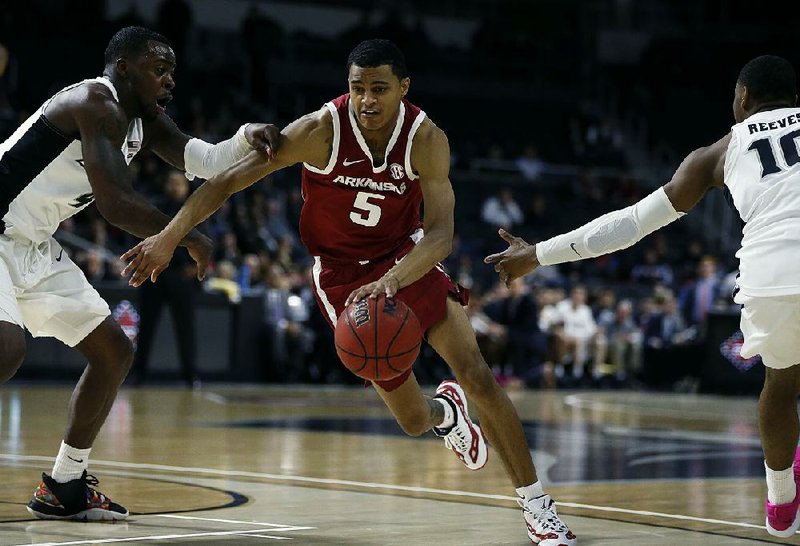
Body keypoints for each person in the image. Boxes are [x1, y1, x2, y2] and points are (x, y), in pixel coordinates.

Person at [120, 39, 576, 545]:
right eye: (357, 88)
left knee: (477, 374)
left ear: (404, 89)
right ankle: (445, 414)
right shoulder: (320, 131)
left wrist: (395, 277)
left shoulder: (427, 139)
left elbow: (442, 234)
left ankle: (538, 507)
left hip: (407, 260)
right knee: (410, 420)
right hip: (340, 276)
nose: (367, 101)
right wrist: (168, 238)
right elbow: (225, 182)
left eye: (379, 89)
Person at [485, 55, 800, 539]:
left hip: (769, 273)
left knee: (779, 384)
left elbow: (630, 225)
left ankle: (781, 504)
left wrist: (538, 254)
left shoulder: (717, 153)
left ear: (741, 99)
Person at [0, 26, 277, 521]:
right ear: (123, 68)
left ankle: (64, 486)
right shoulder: (95, 104)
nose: (170, 81)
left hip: (32, 244)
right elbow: (116, 204)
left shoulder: (140, 120)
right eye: (159, 69)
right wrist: (185, 234)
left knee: (113, 352)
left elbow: (206, 160)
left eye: (173, 71)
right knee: (7, 348)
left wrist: (244, 137)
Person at [130, 170, 201, 388]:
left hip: (182, 277)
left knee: (186, 329)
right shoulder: (156, 208)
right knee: (147, 327)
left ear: (186, 187)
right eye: (171, 182)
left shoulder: (196, 209)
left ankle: (190, 376)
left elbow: (205, 240)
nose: (174, 187)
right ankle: (139, 374)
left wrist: (195, 267)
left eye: (179, 183)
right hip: (155, 276)